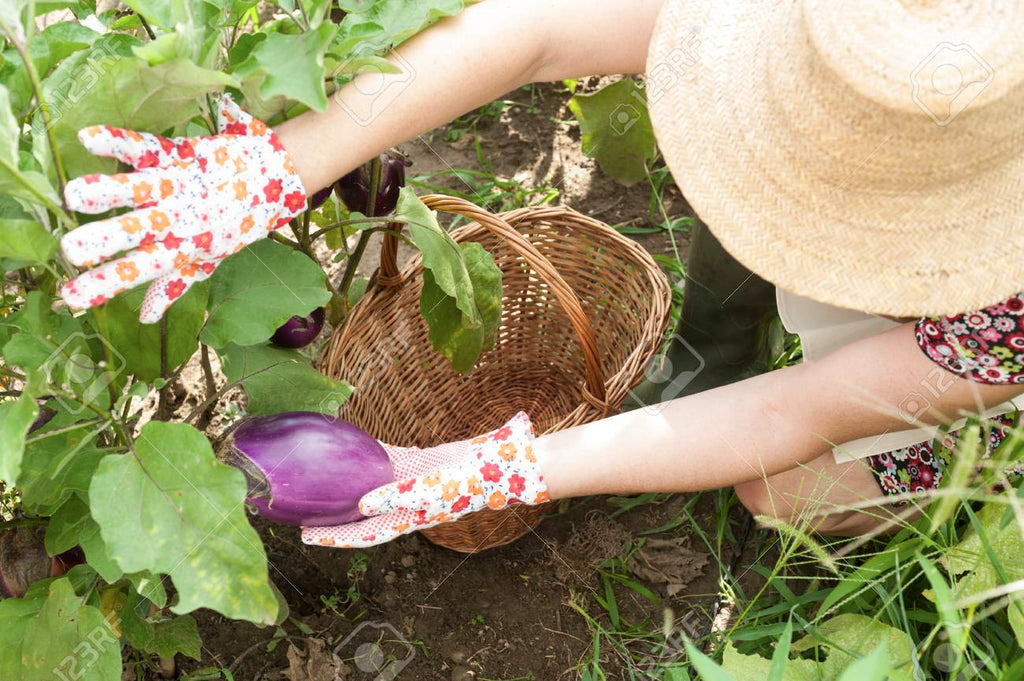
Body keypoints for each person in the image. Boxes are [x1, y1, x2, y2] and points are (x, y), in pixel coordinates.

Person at [58, 0, 1024, 547]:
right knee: (753, 182)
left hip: (991, 361)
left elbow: (792, 416)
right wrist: (292, 158)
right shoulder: (832, 25)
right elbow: (539, 28)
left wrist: (512, 467)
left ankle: (993, 478)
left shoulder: (1008, 315)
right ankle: (721, 333)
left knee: (784, 492)